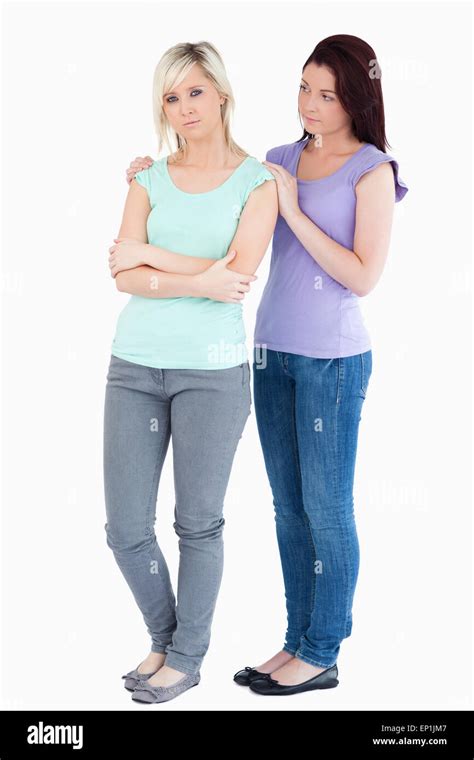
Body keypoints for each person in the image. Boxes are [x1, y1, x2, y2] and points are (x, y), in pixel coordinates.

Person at [127, 33, 409, 698]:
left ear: (356, 99)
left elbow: (364, 275)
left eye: (327, 95)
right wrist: (152, 174)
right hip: (269, 354)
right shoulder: (277, 161)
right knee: (288, 510)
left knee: (327, 510)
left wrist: (294, 209)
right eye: (304, 89)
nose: (310, 104)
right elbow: (224, 228)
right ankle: (295, 642)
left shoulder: (372, 169)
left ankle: (323, 650)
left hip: (332, 363)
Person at [104, 40, 277, 704]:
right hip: (134, 367)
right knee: (125, 528)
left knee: (197, 522)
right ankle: (166, 640)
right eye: (171, 98)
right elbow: (123, 277)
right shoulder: (146, 178)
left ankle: (185, 657)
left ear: (223, 93)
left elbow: (236, 279)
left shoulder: (256, 182)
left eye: (194, 92)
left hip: (212, 372)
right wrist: (194, 274)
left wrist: (152, 254)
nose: (183, 108)